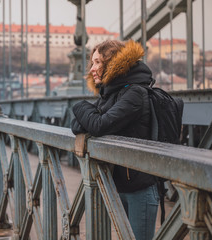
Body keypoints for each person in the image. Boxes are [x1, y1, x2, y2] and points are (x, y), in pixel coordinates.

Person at [71, 39, 159, 240]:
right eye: (92, 63)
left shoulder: (134, 93)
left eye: (97, 62)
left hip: (139, 189)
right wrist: (87, 115)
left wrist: (79, 107)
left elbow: (99, 125)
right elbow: (77, 126)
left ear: (111, 63)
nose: (91, 69)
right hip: (116, 184)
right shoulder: (110, 93)